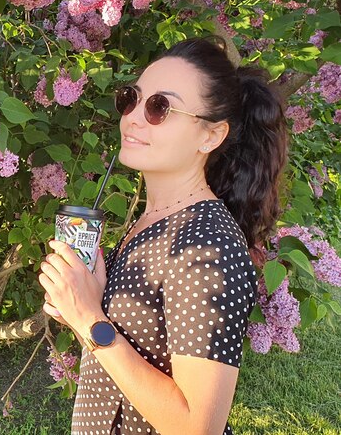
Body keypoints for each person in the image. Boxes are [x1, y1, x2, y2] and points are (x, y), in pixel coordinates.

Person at [38, 37, 288, 435]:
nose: (134, 117)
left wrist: (89, 319)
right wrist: (83, 302)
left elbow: (197, 427)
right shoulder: (157, 218)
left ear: (210, 136)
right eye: (132, 98)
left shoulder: (206, 245)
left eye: (160, 107)